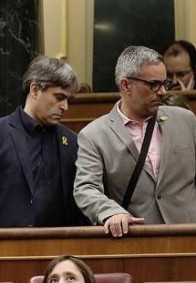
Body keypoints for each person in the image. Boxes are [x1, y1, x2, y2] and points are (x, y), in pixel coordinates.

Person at [74, 46, 196, 237]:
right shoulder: (94, 135)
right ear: (125, 86)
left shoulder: (186, 120)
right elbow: (86, 188)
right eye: (154, 84)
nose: (163, 91)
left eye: (164, 83)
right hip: (137, 240)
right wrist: (110, 212)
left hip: (188, 237)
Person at [0, 55, 87, 227]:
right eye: (59, 97)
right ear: (34, 90)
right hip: (2, 250)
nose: (65, 107)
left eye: (68, 100)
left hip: (57, 250)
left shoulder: (71, 142)